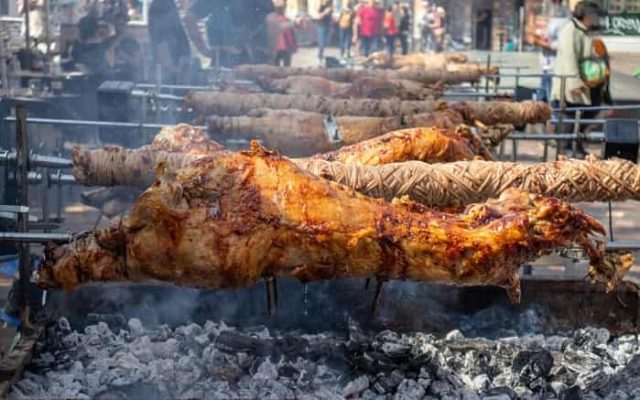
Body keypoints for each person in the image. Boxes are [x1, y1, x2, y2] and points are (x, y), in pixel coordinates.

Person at [551, 1, 605, 158]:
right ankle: (566, 147)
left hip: (585, 82)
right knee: (569, 116)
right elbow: (570, 58)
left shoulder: (584, 31)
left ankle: (576, 144)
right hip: (569, 85)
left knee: (586, 114)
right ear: (586, 16)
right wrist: (575, 82)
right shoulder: (570, 31)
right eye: (593, 16)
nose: (596, 19)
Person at [184, 0, 275, 67]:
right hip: (252, 62)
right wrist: (271, 53)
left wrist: (203, 50)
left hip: (220, 62)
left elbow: (189, 17)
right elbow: (272, 21)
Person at [533, 0, 571, 102]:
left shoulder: (565, 17)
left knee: (552, 102)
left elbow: (564, 44)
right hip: (546, 67)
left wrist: (546, 44)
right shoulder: (548, 12)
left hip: (554, 68)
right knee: (540, 102)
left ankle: (554, 117)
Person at [148, 0, 191, 84]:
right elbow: (160, 40)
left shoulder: (168, 5)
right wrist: (174, 69)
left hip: (176, 70)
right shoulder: (161, 6)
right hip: (169, 76)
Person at [267, 1, 297, 67]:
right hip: (283, 48)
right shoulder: (286, 20)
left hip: (278, 48)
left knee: (276, 67)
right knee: (285, 67)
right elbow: (291, 36)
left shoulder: (270, 19)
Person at [316, 0, 333, 65]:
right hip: (321, 26)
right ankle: (319, 57)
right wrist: (325, 13)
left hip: (328, 25)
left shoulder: (330, 5)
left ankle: (322, 55)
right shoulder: (321, 6)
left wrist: (331, 25)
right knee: (321, 42)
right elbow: (318, 17)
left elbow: (330, 17)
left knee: (326, 42)